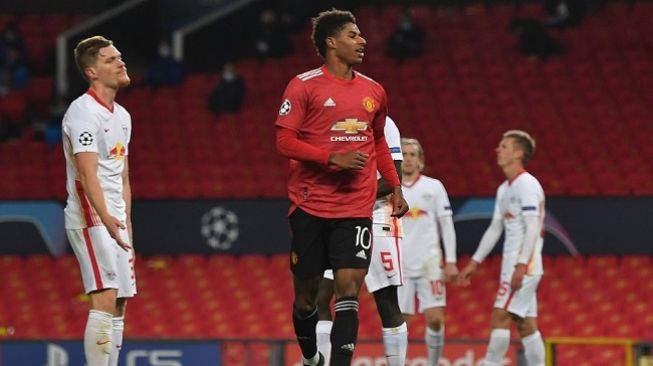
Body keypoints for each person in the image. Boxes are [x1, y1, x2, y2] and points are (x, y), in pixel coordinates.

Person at [275, 9, 409, 366]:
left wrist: (395, 187)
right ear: (331, 43)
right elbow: (284, 142)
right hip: (310, 206)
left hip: (354, 209)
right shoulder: (303, 86)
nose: (362, 40)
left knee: (349, 292)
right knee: (306, 300)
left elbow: (379, 140)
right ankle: (309, 357)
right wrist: (330, 158)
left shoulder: (374, 91)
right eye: (353, 35)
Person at [62, 36, 136, 366]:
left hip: (116, 221)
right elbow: (87, 172)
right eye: (110, 60)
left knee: (120, 302)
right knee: (105, 298)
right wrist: (105, 219)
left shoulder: (122, 115)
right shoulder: (82, 113)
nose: (120, 62)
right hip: (92, 217)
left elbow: (122, 176)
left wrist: (126, 221)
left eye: (119, 57)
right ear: (92, 71)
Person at [316, 116, 408, 366]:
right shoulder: (331, 123)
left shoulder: (385, 124)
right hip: (339, 219)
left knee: (386, 302)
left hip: (377, 218)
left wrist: (352, 197)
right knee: (320, 298)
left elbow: (392, 179)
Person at [457, 130, 546, 366]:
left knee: (500, 316)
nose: (498, 150)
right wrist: (475, 261)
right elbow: (496, 228)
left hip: (524, 264)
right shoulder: (504, 189)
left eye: (504, 146)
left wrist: (521, 264)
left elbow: (533, 225)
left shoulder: (526, 184)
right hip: (515, 265)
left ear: (518, 153)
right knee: (526, 325)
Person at [398, 137, 458, 366]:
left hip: (429, 263)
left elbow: (446, 224)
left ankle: (433, 363)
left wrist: (450, 260)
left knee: (434, 319)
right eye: (404, 154)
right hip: (400, 264)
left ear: (420, 160)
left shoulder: (434, 187)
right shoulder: (388, 188)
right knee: (399, 321)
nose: (408, 158)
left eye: (413, 154)